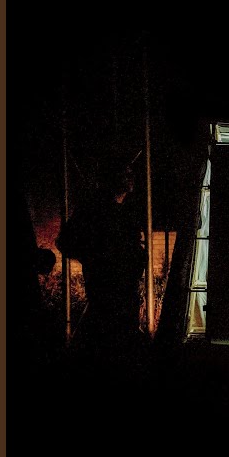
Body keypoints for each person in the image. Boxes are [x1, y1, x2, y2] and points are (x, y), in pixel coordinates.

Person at [55, 150, 148, 373]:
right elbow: (66, 241)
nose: (131, 178)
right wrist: (98, 257)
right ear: (112, 177)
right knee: (107, 347)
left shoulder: (122, 210)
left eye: (130, 173)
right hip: (108, 294)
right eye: (126, 173)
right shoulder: (95, 209)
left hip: (124, 293)